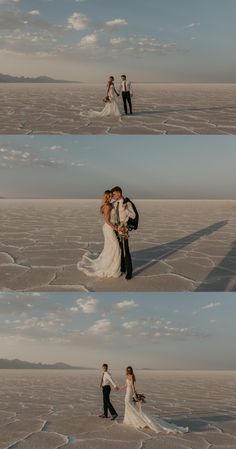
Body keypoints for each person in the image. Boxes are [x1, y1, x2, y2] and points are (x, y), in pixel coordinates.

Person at [120, 367, 188, 434]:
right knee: (128, 404)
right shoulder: (127, 376)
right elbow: (126, 385)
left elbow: (132, 385)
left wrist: (135, 393)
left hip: (130, 392)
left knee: (129, 404)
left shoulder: (131, 376)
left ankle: (138, 420)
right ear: (127, 370)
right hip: (127, 391)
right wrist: (120, 388)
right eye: (128, 370)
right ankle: (130, 420)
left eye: (130, 370)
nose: (129, 371)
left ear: (131, 370)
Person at [77, 190, 121, 278]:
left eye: (111, 196)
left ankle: (113, 266)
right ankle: (111, 268)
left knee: (110, 247)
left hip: (109, 228)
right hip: (109, 228)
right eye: (108, 196)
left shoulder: (109, 204)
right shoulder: (107, 206)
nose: (110, 197)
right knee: (115, 247)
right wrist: (116, 228)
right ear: (105, 196)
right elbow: (107, 220)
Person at [111, 186, 135, 280]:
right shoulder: (114, 203)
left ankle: (129, 271)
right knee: (119, 248)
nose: (113, 196)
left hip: (124, 228)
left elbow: (133, 215)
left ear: (119, 193)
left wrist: (126, 209)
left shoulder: (127, 203)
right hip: (116, 228)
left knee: (126, 249)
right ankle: (122, 267)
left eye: (114, 194)